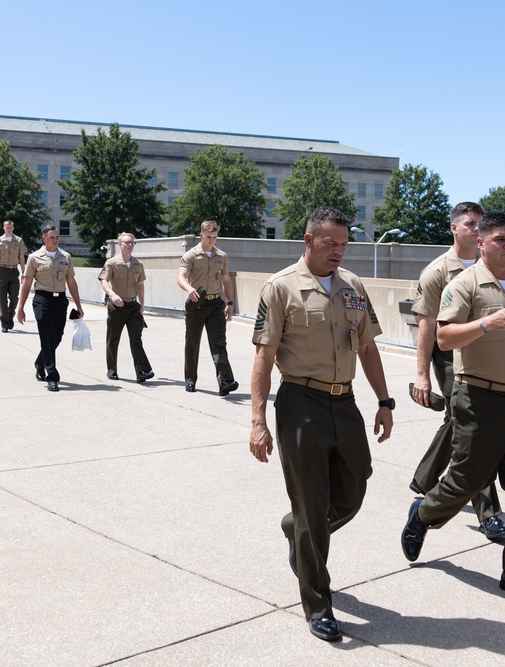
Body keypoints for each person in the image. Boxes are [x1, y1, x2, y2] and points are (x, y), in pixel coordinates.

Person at [401, 212, 505, 605]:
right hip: (478, 398)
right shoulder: (464, 285)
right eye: (499, 239)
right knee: (467, 481)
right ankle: (423, 512)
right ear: (482, 243)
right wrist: (485, 324)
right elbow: (443, 336)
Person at [250, 207, 394, 643]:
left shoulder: (353, 286)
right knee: (312, 504)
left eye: (344, 243)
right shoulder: (281, 288)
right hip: (301, 402)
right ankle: (318, 604)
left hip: (344, 401)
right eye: (330, 243)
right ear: (308, 241)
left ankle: (297, 529)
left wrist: (385, 401)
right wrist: (258, 419)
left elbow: (367, 348)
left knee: (353, 491)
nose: (338, 250)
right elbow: (263, 356)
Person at [410, 202, 505, 542]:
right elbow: (425, 326)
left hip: (484, 355)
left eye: (481, 224)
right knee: (473, 427)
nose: (476, 229)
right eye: (470, 224)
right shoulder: (436, 272)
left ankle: (424, 477)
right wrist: (422, 374)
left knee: (458, 421)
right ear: (454, 228)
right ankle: (489, 513)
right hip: (450, 355)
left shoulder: (492, 267)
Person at [17, 224, 84, 392]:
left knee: (57, 337)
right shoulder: (34, 257)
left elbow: (71, 282)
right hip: (42, 299)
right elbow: (26, 283)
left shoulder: (66, 257)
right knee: (46, 336)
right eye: (51, 237)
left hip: (60, 300)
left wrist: (78, 304)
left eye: (57, 237)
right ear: (44, 238)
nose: (55, 240)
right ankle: (52, 376)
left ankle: (40, 362)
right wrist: (20, 307)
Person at [176, 220, 237, 395]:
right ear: (201, 235)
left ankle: (225, 381)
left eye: (215, 237)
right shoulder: (191, 256)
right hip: (197, 304)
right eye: (209, 237)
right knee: (192, 344)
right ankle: (190, 380)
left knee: (219, 343)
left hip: (216, 304)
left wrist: (230, 302)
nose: (212, 241)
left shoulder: (222, 256)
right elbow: (181, 275)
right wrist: (189, 288)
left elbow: (226, 280)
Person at [98, 232, 154, 382]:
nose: (130, 245)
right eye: (127, 243)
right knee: (113, 339)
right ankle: (112, 370)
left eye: (132, 243)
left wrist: (142, 304)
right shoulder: (112, 263)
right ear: (120, 245)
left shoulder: (138, 265)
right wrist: (112, 295)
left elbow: (141, 285)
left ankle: (142, 371)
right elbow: (104, 281)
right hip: (117, 306)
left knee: (136, 338)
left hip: (133, 306)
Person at [0, 220, 28, 332]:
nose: (9, 229)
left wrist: (23, 272)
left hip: (14, 271)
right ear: (4, 228)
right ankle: (4, 323)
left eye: (11, 227)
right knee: (2, 299)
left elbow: (21, 257)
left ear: (13, 228)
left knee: (14, 298)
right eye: (7, 227)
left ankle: (10, 315)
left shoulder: (19, 240)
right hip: (2, 271)